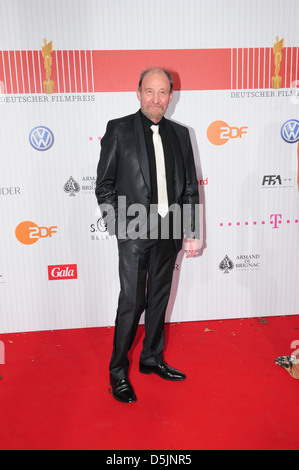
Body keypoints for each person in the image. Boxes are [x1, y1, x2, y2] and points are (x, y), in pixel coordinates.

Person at [95, 68, 200, 403]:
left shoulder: (181, 134)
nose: (156, 99)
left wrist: (191, 231)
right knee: (131, 302)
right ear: (138, 92)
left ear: (171, 96)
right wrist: (119, 229)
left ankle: (151, 358)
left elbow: (188, 188)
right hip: (134, 231)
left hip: (169, 231)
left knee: (159, 298)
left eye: (163, 92)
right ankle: (117, 372)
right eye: (150, 92)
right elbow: (104, 186)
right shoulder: (119, 130)